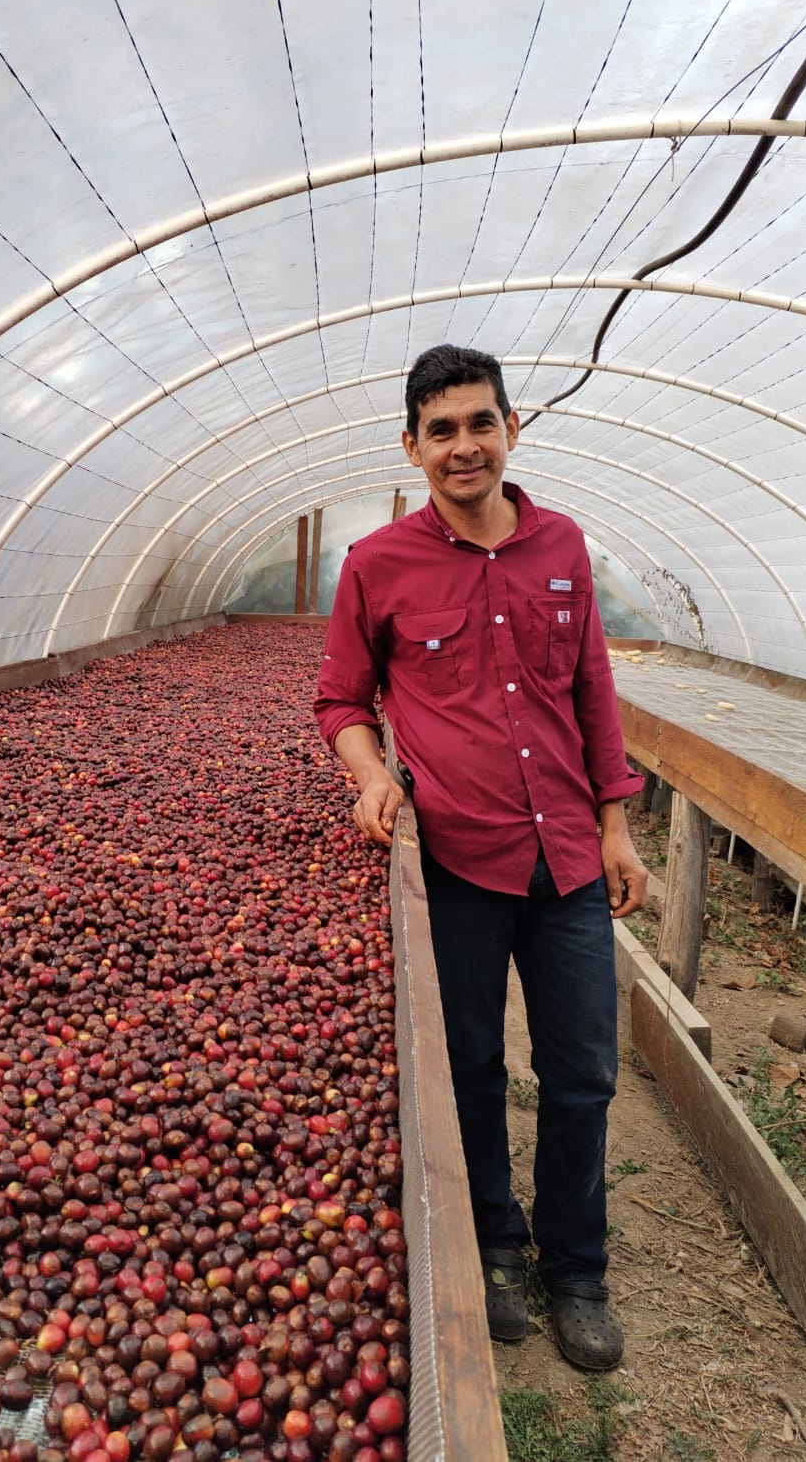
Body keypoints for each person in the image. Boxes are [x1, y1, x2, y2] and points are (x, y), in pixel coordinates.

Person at [314, 343, 647, 1371]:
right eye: (443, 429)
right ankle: (496, 1246)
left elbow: (592, 690)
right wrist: (373, 776)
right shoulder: (378, 564)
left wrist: (618, 822)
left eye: (481, 423)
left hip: (567, 864)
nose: (465, 445)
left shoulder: (563, 544)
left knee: (583, 1067)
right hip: (454, 856)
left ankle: (576, 1269)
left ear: (513, 429)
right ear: (412, 446)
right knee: (469, 1066)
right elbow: (340, 700)